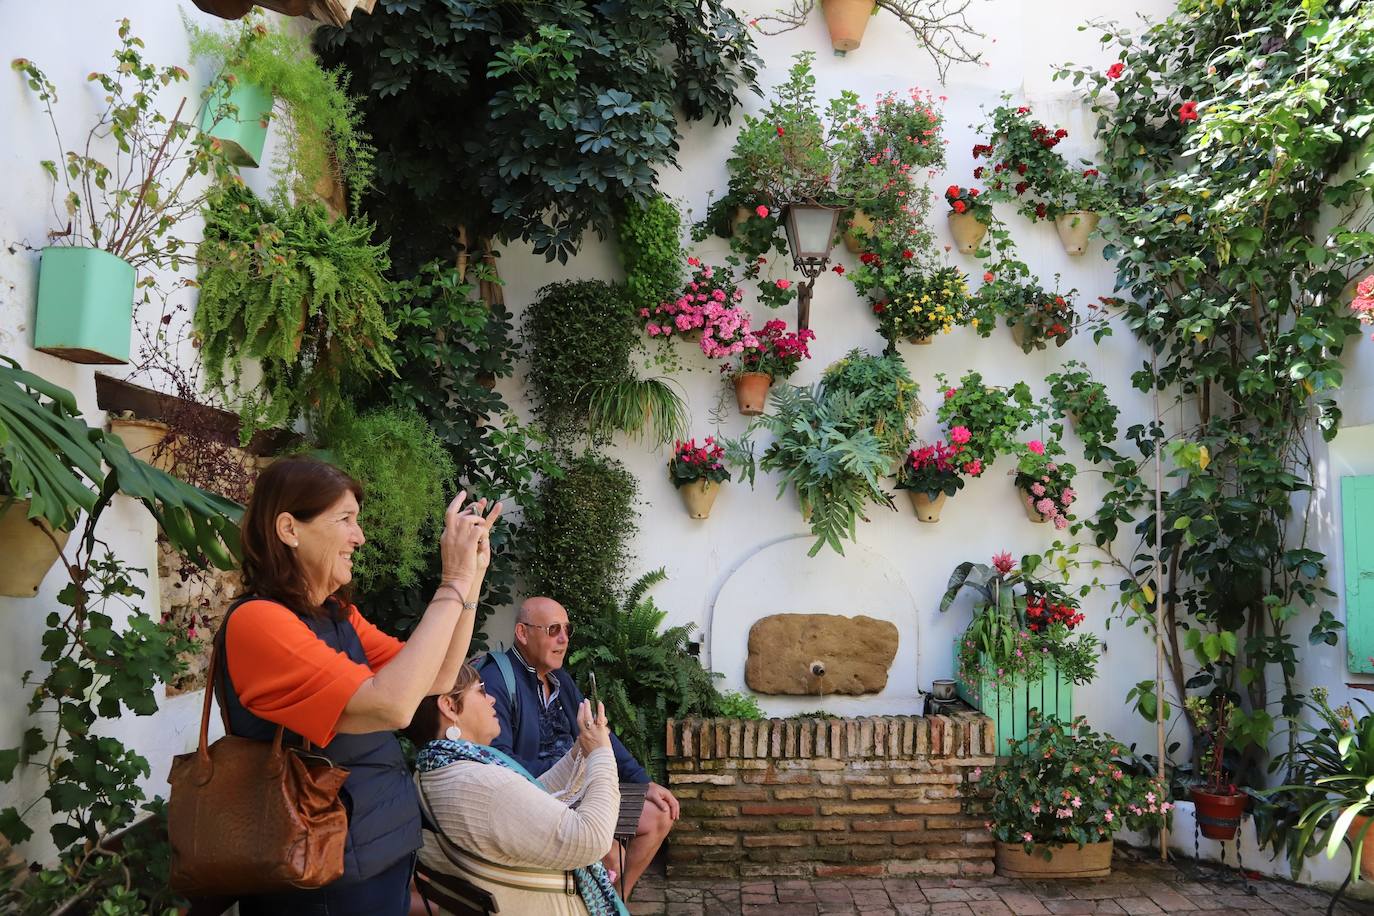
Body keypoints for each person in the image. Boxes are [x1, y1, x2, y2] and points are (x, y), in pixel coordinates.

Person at [222, 456, 502, 916]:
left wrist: (470, 581)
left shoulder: (336, 615)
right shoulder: (259, 622)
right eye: (346, 520)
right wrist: (451, 581)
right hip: (321, 874)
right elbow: (391, 706)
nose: (360, 537)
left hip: (374, 849)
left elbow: (436, 680)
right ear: (290, 529)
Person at [478, 597, 678, 901]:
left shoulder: (561, 681)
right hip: (540, 800)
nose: (564, 639)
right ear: (522, 633)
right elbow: (502, 762)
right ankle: (593, 900)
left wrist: (642, 782)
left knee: (660, 815)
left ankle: (614, 900)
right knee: (609, 853)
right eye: (553, 629)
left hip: (582, 790)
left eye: (567, 630)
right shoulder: (497, 680)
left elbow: (599, 734)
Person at [404, 663, 627, 916]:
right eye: (480, 690)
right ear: (450, 706)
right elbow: (592, 838)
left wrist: (582, 750)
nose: (492, 699)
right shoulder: (477, 783)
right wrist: (602, 753)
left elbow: (534, 794)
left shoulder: (437, 769)